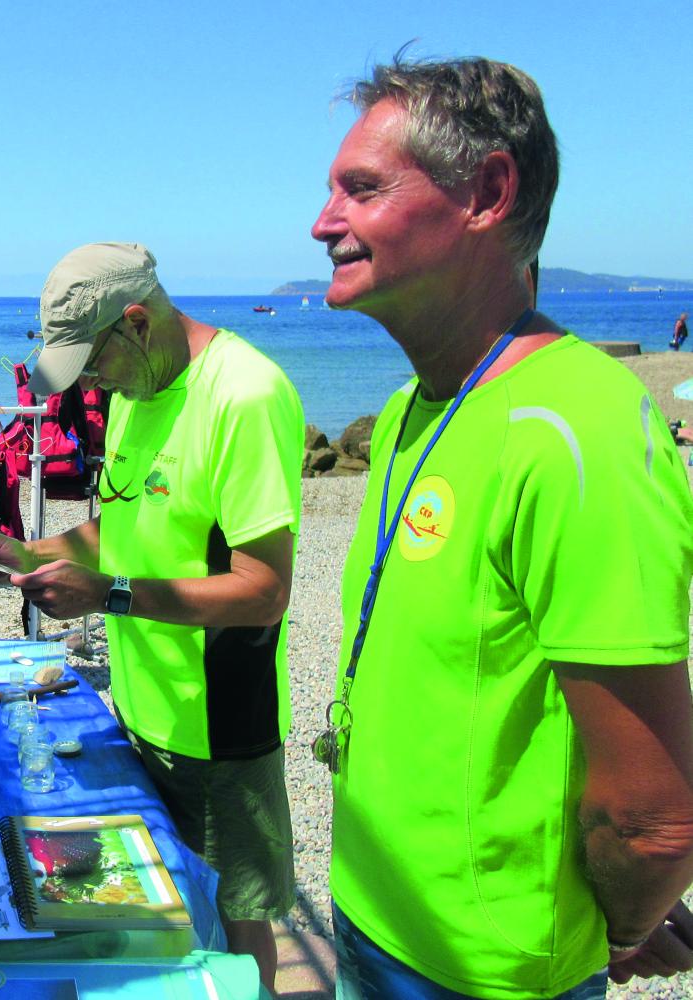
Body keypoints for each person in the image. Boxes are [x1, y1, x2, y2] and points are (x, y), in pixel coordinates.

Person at [311, 56, 693, 998]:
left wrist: (619, 929)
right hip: (373, 917)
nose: (323, 223)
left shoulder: (579, 431)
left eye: (361, 190)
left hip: (485, 976)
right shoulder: (415, 406)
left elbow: (655, 821)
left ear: (486, 193)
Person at [0, 242, 305, 991]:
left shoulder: (245, 395)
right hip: (137, 710)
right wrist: (25, 553)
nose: (90, 381)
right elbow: (112, 531)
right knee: (160, 917)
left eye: (94, 362)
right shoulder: (130, 397)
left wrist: (109, 594)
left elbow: (265, 589)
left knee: (241, 932)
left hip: (220, 726)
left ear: (138, 323)